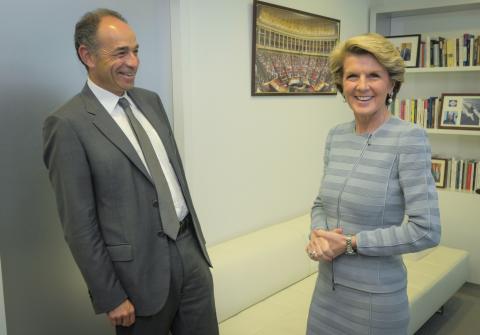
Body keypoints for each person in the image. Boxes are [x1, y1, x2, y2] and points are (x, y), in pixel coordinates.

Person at [43, 9, 218, 335]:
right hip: (137, 280)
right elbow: (79, 226)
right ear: (87, 55)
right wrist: (110, 296)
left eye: (135, 50)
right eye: (120, 52)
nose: (134, 62)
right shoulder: (67, 125)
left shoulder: (150, 102)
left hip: (190, 254)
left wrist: (195, 251)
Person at [305, 33, 441, 335]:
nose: (362, 86)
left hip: (375, 304)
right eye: (353, 76)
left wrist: (352, 244)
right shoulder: (336, 136)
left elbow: (427, 230)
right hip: (326, 295)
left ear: (391, 84)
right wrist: (318, 236)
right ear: (342, 84)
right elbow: (320, 204)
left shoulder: (409, 139)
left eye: (374, 76)